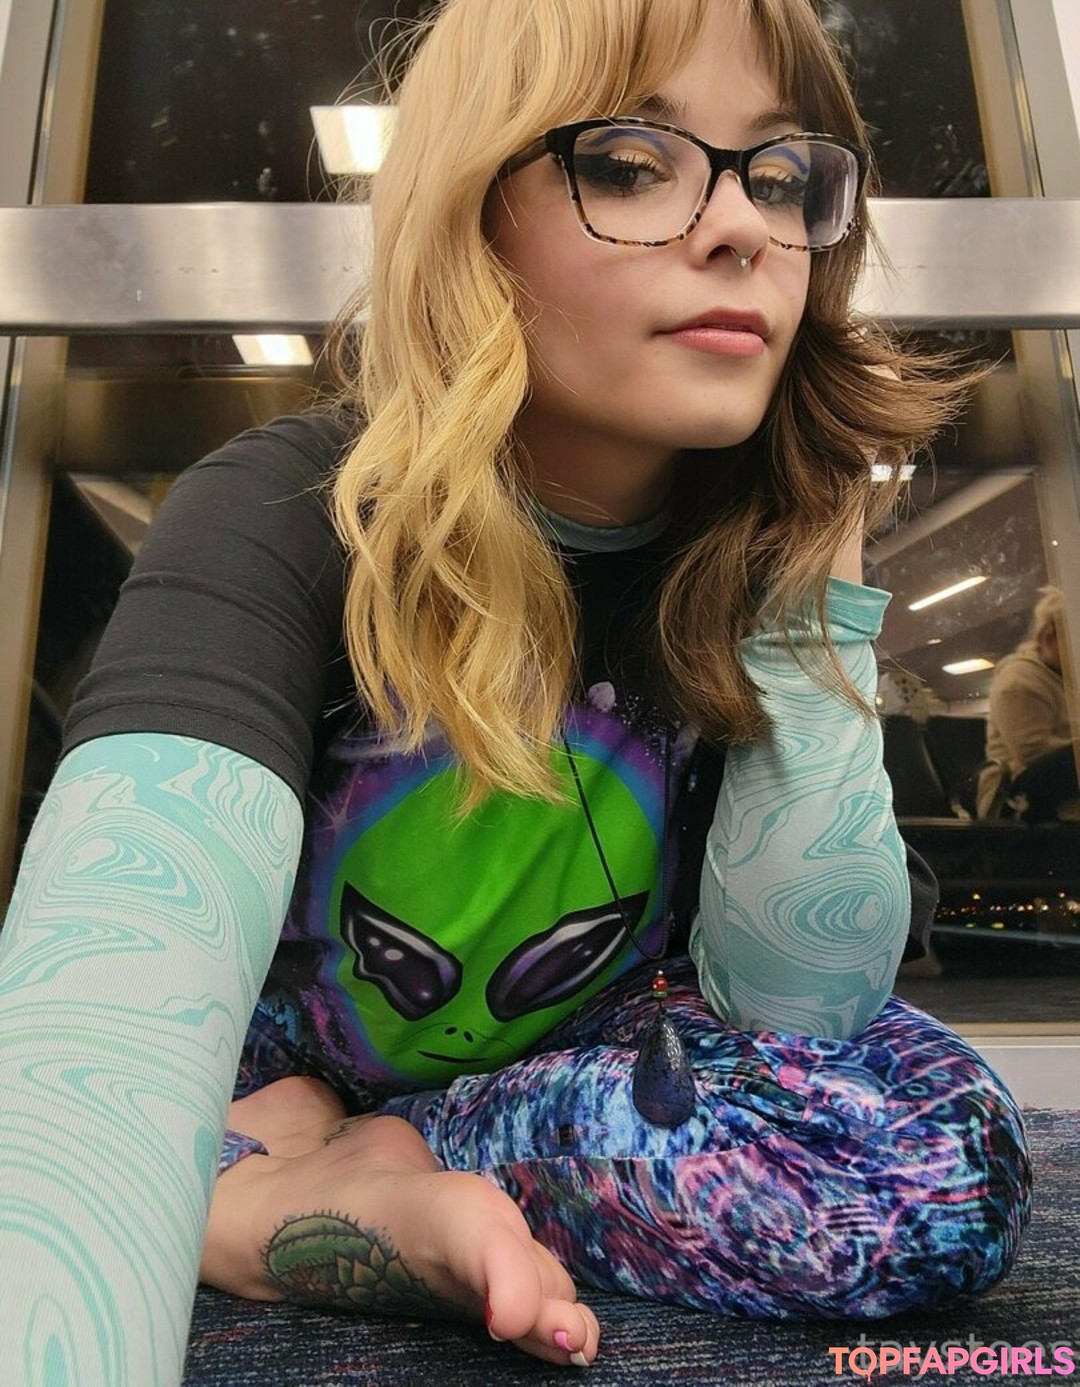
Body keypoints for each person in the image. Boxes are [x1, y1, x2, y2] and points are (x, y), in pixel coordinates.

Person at [0, 0, 1031, 1380]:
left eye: (783, 177)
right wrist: (146, 1170)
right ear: (471, 218)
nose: (743, 226)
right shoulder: (291, 510)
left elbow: (800, 1007)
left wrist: (809, 591)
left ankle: (353, 1166)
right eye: (632, 165)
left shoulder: (740, 553)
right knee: (69, 1107)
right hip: (259, 1072)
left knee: (935, 1148)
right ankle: (248, 1190)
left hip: (550, 1072)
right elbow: (110, 992)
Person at [977, 585, 1078, 820]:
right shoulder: (1019, 680)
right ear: (1048, 638)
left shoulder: (1064, 680)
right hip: (1015, 798)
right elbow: (1034, 754)